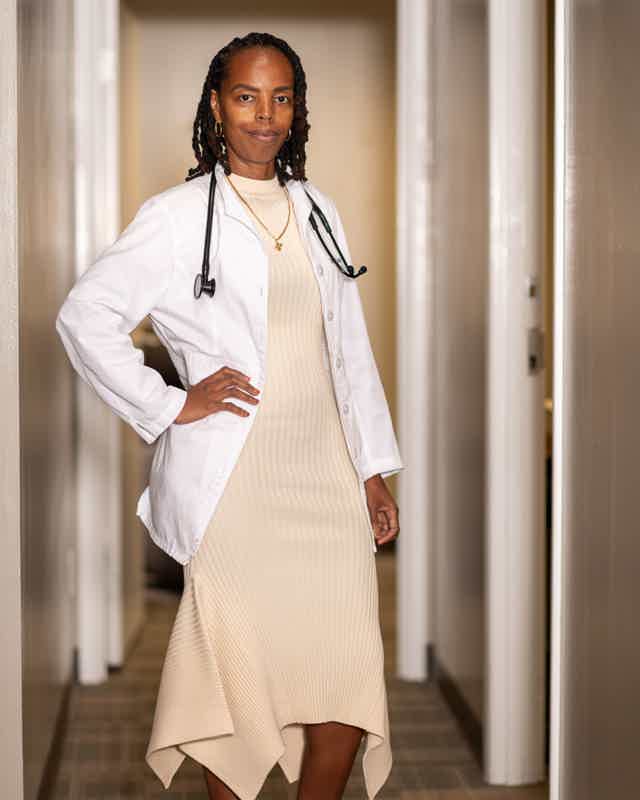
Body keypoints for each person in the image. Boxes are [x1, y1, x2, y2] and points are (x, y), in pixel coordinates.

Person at [56, 30, 403, 800]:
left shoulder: (318, 211)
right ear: (217, 106)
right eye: (247, 97)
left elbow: (348, 350)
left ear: (297, 109)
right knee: (237, 691)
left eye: (281, 98)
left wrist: (373, 471)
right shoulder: (177, 216)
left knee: (345, 671)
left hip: (327, 479)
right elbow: (84, 316)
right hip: (235, 490)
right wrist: (171, 402)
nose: (265, 115)